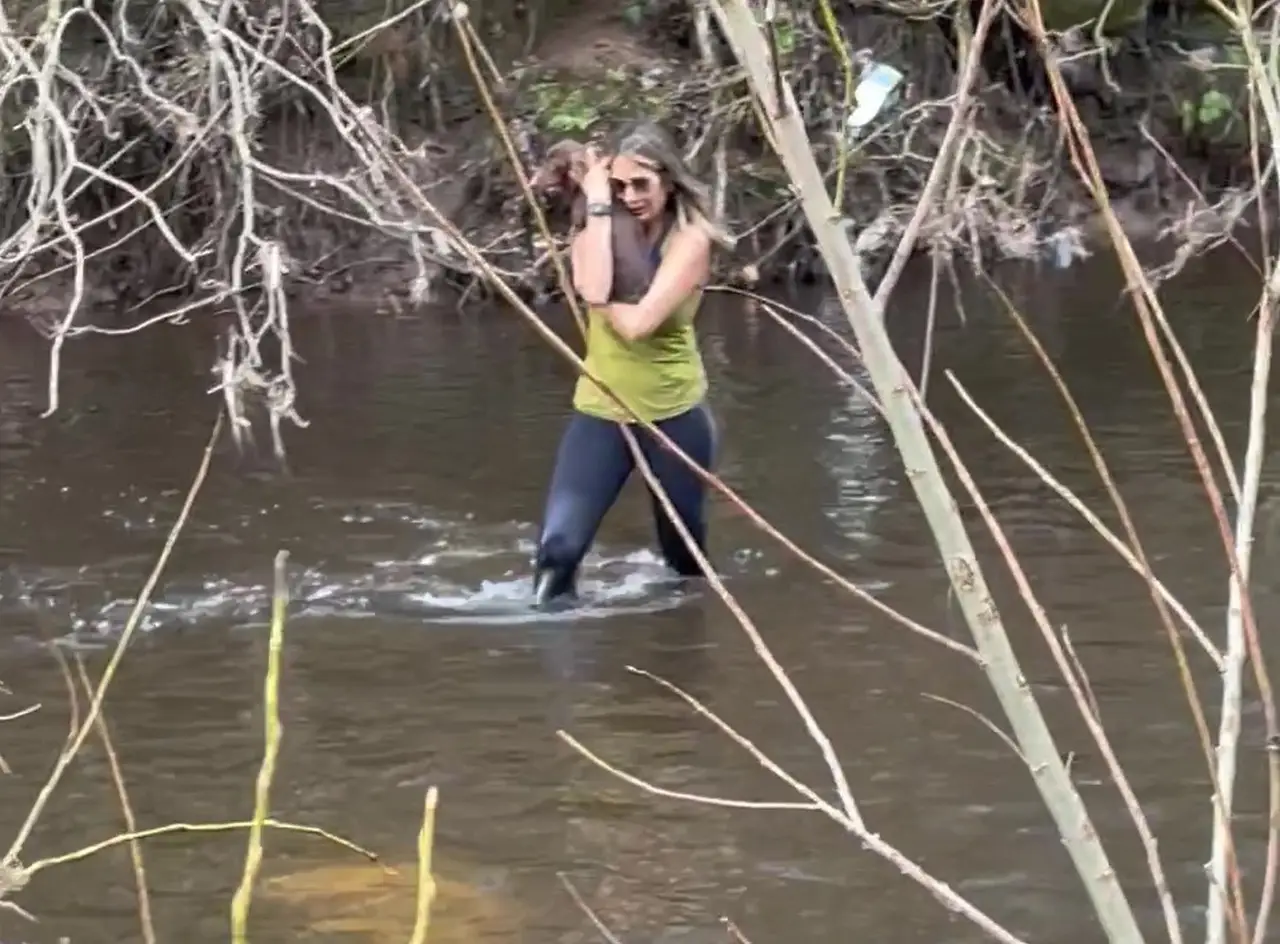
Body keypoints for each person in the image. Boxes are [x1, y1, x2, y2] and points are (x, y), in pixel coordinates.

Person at [532, 121, 734, 605]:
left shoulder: (691, 240)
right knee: (557, 552)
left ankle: (685, 640)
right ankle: (550, 643)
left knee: (683, 559)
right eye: (619, 186)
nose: (631, 196)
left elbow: (637, 323)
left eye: (641, 184)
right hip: (602, 412)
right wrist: (598, 204)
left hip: (673, 415)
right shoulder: (596, 224)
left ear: (669, 182)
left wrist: (597, 297)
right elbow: (595, 286)